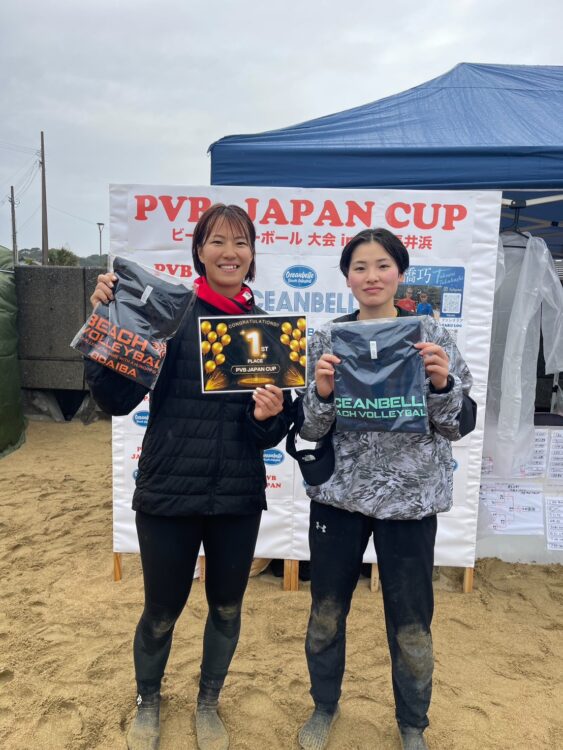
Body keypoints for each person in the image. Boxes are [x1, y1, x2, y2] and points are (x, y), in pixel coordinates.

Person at [86, 204, 293, 750]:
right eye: (217, 241)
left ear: (252, 254)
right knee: (160, 611)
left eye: (241, 242)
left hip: (236, 496)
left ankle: (208, 702)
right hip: (168, 490)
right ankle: (148, 701)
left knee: (226, 607)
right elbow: (114, 398)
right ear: (199, 250)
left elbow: (273, 433)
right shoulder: (166, 316)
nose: (230, 252)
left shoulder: (266, 330)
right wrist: (107, 320)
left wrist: (268, 417)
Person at [295, 228, 472, 750]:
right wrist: (323, 392)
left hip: (410, 501)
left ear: (400, 272)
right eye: (360, 267)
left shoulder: (431, 335)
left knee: (412, 626)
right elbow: (310, 428)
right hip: (339, 498)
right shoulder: (326, 339)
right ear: (346, 277)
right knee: (326, 613)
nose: (371, 276)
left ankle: (412, 725)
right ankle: (324, 706)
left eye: (382, 265)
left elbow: (458, 426)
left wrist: (441, 384)